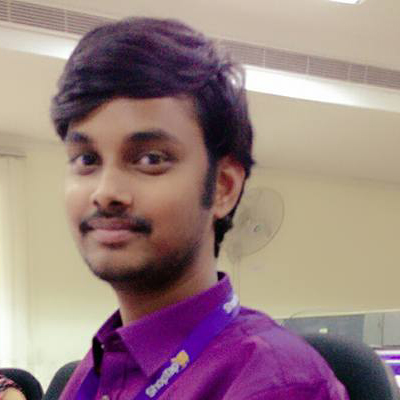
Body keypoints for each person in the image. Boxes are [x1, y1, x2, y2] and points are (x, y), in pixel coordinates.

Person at [50, 17, 349, 399]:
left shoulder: (276, 383)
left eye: (150, 159)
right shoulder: (99, 366)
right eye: (87, 159)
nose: (106, 192)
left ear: (223, 187)